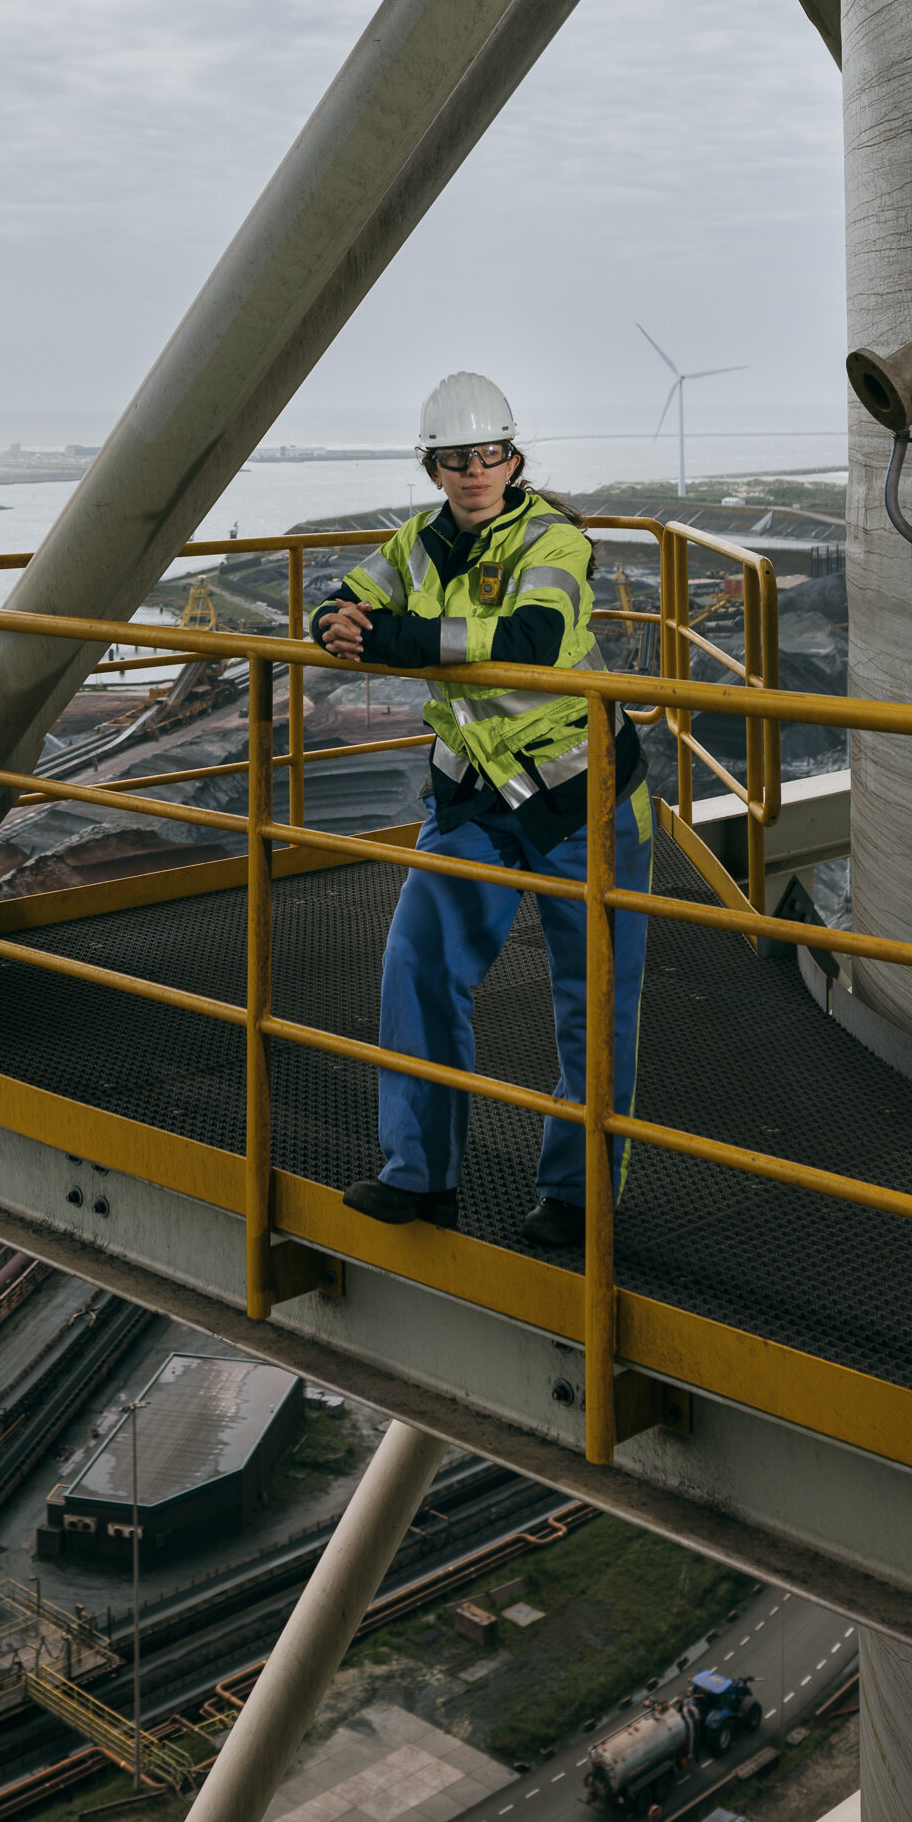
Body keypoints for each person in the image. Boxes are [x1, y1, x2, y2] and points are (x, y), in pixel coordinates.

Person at [312, 371, 653, 1249]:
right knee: (417, 968)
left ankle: (578, 1199)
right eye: (458, 459)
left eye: (490, 455)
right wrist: (333, 624)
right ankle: (420, 1179)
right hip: (473, 793)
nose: (475, 472)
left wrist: (392, 639)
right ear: (433, 470)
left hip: (582, 800)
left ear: (513, 459)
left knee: (593, 1003)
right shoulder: (415, 544)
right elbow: (345, 600)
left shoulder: (553, 541)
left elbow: (530, 642)